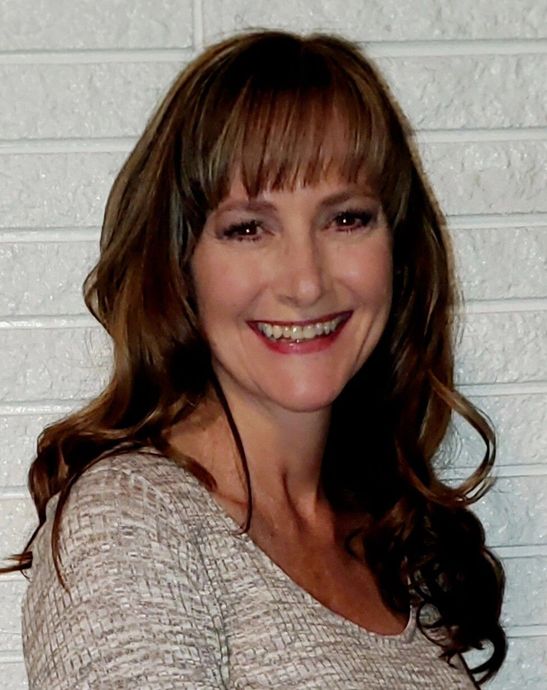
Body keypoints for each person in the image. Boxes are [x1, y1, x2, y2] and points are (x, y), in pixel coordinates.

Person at [2, 30, 506, 688]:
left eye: (346, 219)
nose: (305, 281)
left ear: (399, 252)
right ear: (180, 267)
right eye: (247, 228)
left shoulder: (391, 540)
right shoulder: (133, 527)